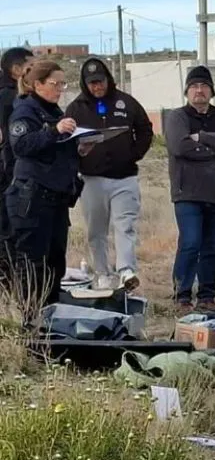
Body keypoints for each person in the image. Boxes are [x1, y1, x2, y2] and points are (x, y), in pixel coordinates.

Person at [6, 60, 95, 312]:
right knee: (34, 264)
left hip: (56, 198)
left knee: (56, 262)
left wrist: (79, 148)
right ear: (38, 84)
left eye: (63, 84)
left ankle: (53, 316)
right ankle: (31, 318)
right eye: (56, 84)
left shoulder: (56, 111)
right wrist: (54, 131)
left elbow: (56, 153)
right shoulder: (25, 111)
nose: (60, 89)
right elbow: (21, 146)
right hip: (32, 198)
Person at [65, 57, 154, 291]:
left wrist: (133, 154)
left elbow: (145, 130)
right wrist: (79, 156)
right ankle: (103, 273)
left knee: (124, 224)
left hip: (124, 177)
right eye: (92, 83)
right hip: (92, 179)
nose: (98, 87)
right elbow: (66, 141)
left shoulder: (126, 102)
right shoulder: (76, 107)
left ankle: (126, 270)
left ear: (108, 79)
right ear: (86, 84)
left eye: (101, 81)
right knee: (96, 230)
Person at [163, 65, 215, 313]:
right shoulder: (178, 117)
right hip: (187, 193)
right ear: (187, 91)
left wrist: (201, 137)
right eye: (194, 86)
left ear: (211, 91)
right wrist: (213, 149)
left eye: (204, 86)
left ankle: (207, 296)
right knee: (191, 242)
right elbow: (179, 146)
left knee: (210, 247)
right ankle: (182, 295)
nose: (199, 90)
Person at [0, 47, 34, 277]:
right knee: (10, 235)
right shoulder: (9, 98)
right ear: (16, 70)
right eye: (31, 67)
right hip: (10, 175)